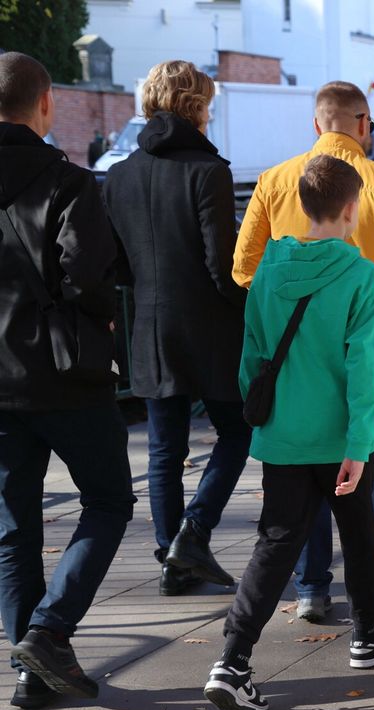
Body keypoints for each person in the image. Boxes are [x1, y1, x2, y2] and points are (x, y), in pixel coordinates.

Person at [233, 81, 374, 620]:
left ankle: (311, 586)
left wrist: (285, 304)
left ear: (316, 125)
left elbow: (242, 267)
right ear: (364, 124)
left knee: (308, 462)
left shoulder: (275, 180)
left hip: (298, 354)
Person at [204, 155, 374, 710]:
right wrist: (360, 447)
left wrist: (261, 411)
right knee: (359, 531)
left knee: (276, 542)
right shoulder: (362, 275)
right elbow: (364, 369)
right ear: (352, 208)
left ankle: (234, 659)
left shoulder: (269, 267)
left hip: (284, 433)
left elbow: (253, 353)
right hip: (340, 439)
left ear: (303, 206)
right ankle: (367, 635)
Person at [0, 52, 135, 708]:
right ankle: (50, 631)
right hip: (61, 371)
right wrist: (102, 317)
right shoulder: (68, 182)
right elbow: (88, 277)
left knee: (12, 521)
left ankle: (32, 669)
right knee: (108, 499)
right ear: (46, 103)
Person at [105, 61, 250, 597]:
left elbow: (115, 263)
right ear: (195, 105)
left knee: (164, 449)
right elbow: (222, 266)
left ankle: (171, 556)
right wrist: (250, 304)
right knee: (237, 431)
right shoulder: (207, 171)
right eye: (207, 102)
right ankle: (194, 532)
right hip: (210, 328)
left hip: (149, 326)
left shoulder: (120, 174)